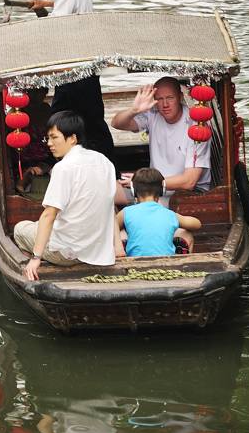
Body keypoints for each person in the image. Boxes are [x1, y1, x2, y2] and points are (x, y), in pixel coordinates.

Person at [23, 0, 116, 168]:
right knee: (94, 119)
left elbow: (56, 29)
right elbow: (62, 4)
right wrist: (43, 3)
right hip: (87, 65)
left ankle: (54, 165)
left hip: (73, 67)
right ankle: (110, 167)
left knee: (58, 117)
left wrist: (39, 13)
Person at [16, 111, 121, 281]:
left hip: (69, 254)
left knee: (20, 228)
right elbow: (110, 206)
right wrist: (118, 248)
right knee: (38, 226)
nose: (49, 143)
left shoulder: (63, 168)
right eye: (47, 138)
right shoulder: (104, 162)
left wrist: (36, 257)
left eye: (54, 137)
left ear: (72, 138)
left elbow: (49, 214)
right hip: (99, 250)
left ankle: (34, 270)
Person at [110, 76, 212, 201]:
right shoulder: (153, 113)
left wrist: (144, 183)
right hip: (152, 187)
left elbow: (189, 181)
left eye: (170, 98)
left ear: (180, 97)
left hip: (185, 193)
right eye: (160, 99)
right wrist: (134, 110)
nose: (165, 104)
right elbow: (117, 123)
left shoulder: (196, 127)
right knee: (107, 191)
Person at [117, 168, 202, 256]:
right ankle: (181, 265)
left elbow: (111, 227)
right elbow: (197, 224)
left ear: (133, 191)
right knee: (186, 233)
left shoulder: (126, 212)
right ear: (162, 190)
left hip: (133, 264)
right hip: (167, 265)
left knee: (120, 232)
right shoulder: (170, 215)